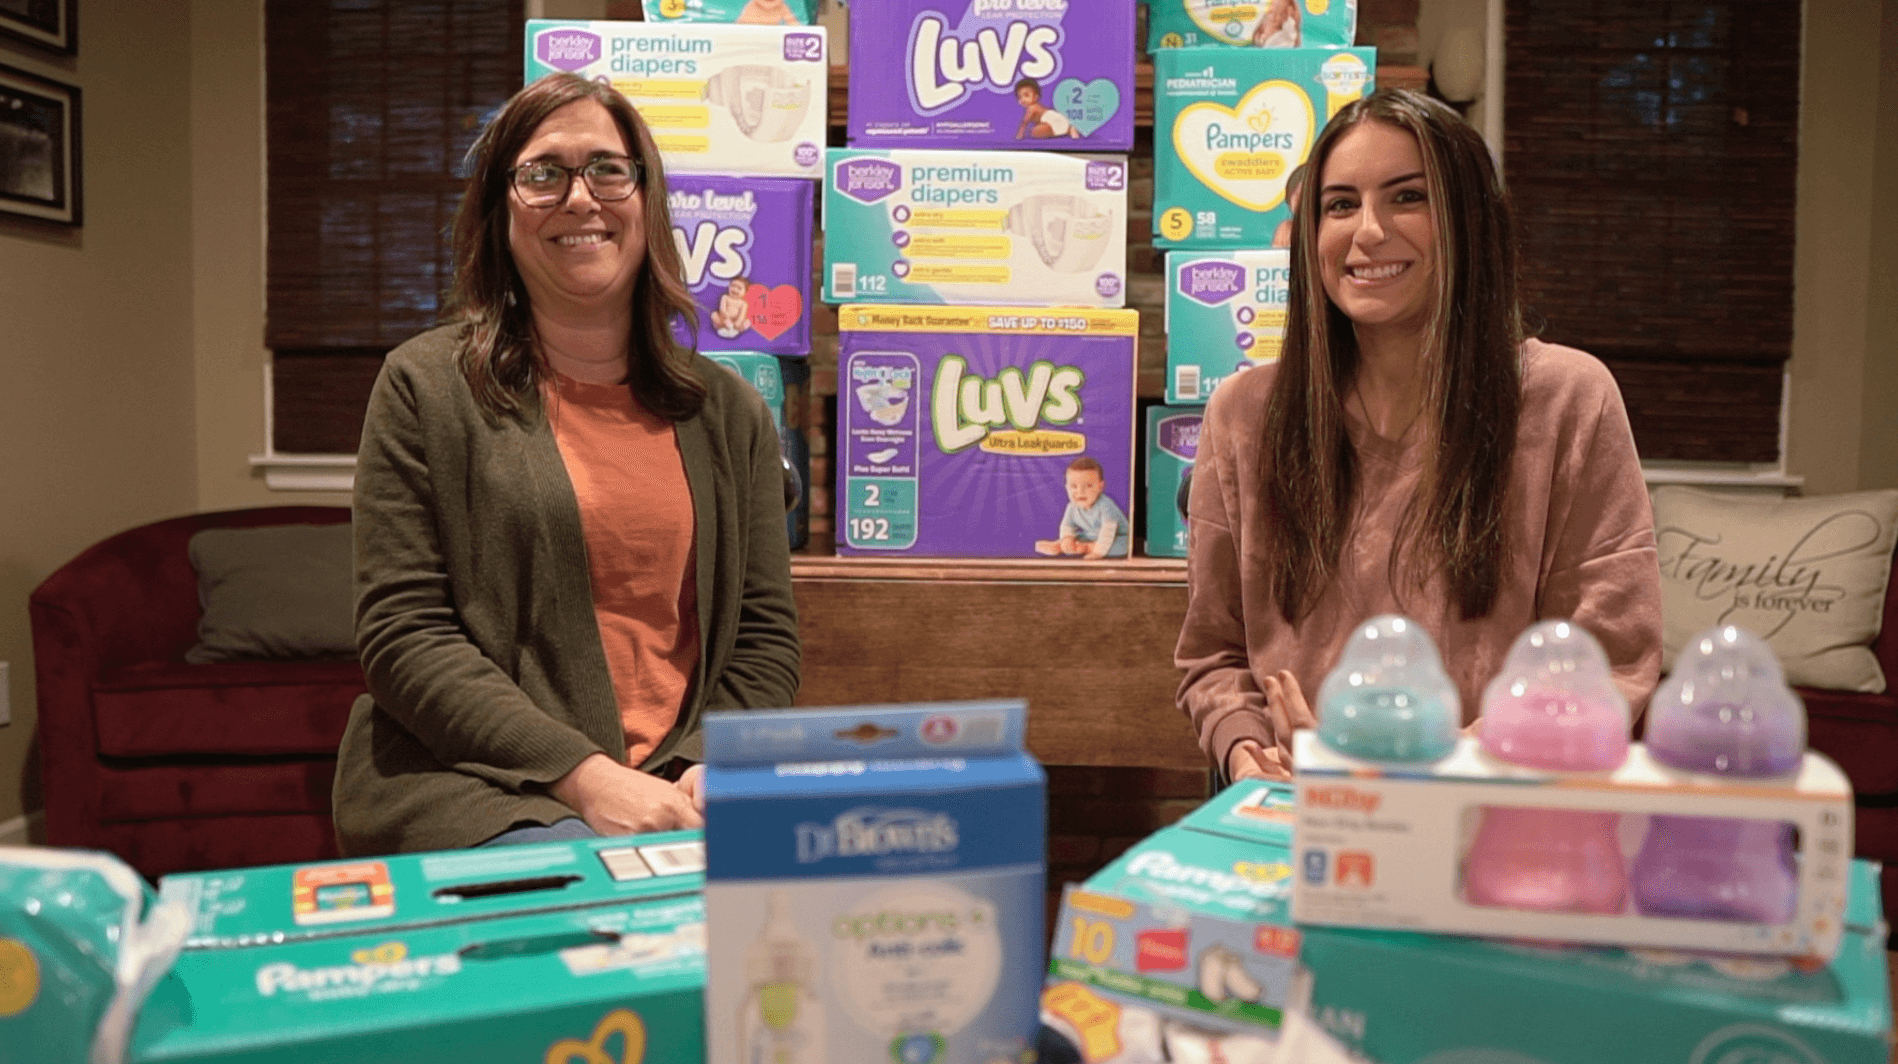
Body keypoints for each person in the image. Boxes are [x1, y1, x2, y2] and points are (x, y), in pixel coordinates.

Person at [333, 72, 801, 853]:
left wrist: (708, 763)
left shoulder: (731, 413)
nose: (580, 198)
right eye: (543, 173)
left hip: (683, 786)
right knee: (611, 914)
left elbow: (763, 638)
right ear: (500, 212)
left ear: (646, 201)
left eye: (608, 170)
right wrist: (589, 781)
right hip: (483, 790)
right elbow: (404, 636)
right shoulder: (423, 387)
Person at [1176, 89, 1662, 783]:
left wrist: (1423, 769)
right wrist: (1248, 755)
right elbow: (1215, 658)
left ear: (1470, 220)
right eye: (1340, 205)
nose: (1368, 231)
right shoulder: (1242, 413)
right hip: (1294, 815)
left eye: (1407, 197)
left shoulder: (1569, 399)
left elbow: (1607, 663)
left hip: (1489, 810)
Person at [1035, 456, 1129, 559]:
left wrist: (1098, 552)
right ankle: (1060, 545)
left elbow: (1108, 531)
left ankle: (1086, 547)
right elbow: (1067, 525)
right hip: (1091, 536)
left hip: (1117, 536)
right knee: (1076, 537)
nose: (1080, 492)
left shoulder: (1106, 505)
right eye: (1074, 486)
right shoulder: (1072, 506)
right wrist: (1067, 538)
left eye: (1089, 486)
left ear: (1100, 486)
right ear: (1067, 488)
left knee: (1124, 546)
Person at [1015, 78, 1082, 141]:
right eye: (1019, 97)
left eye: (1026, 95)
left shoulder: (1032, 108)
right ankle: (1069, 129)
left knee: (1033, 132)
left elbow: (1024, 122)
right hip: (1060, 119)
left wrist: (1019, 135)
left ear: (1036, 97)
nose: (1022, 99)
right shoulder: (1038, 106)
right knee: (1040, 128)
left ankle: (1067, 129)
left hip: (1053, 121)